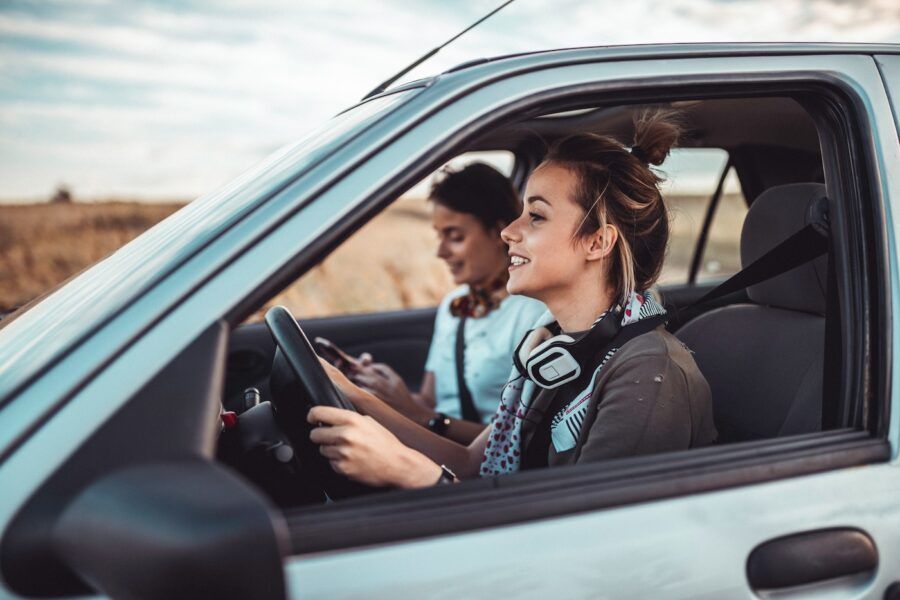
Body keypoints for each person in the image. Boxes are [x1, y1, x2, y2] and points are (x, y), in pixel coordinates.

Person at [308, 110, 717, 489]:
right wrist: (353, 394)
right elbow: (470, 465)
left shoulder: (648, 371)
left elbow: (579, 541)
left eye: (535, 216)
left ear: (598, 241)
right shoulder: (553, 348)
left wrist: (410, 472)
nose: (509, 232)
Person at [347, 163, 546, 444]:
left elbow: (520, 441)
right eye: (439, 236)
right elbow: (429, 399)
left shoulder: (534, 313)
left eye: (455, 237)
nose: (441, 252)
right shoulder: (454, 304)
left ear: (499, 231)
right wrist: (381, 390)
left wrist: (421, 416)